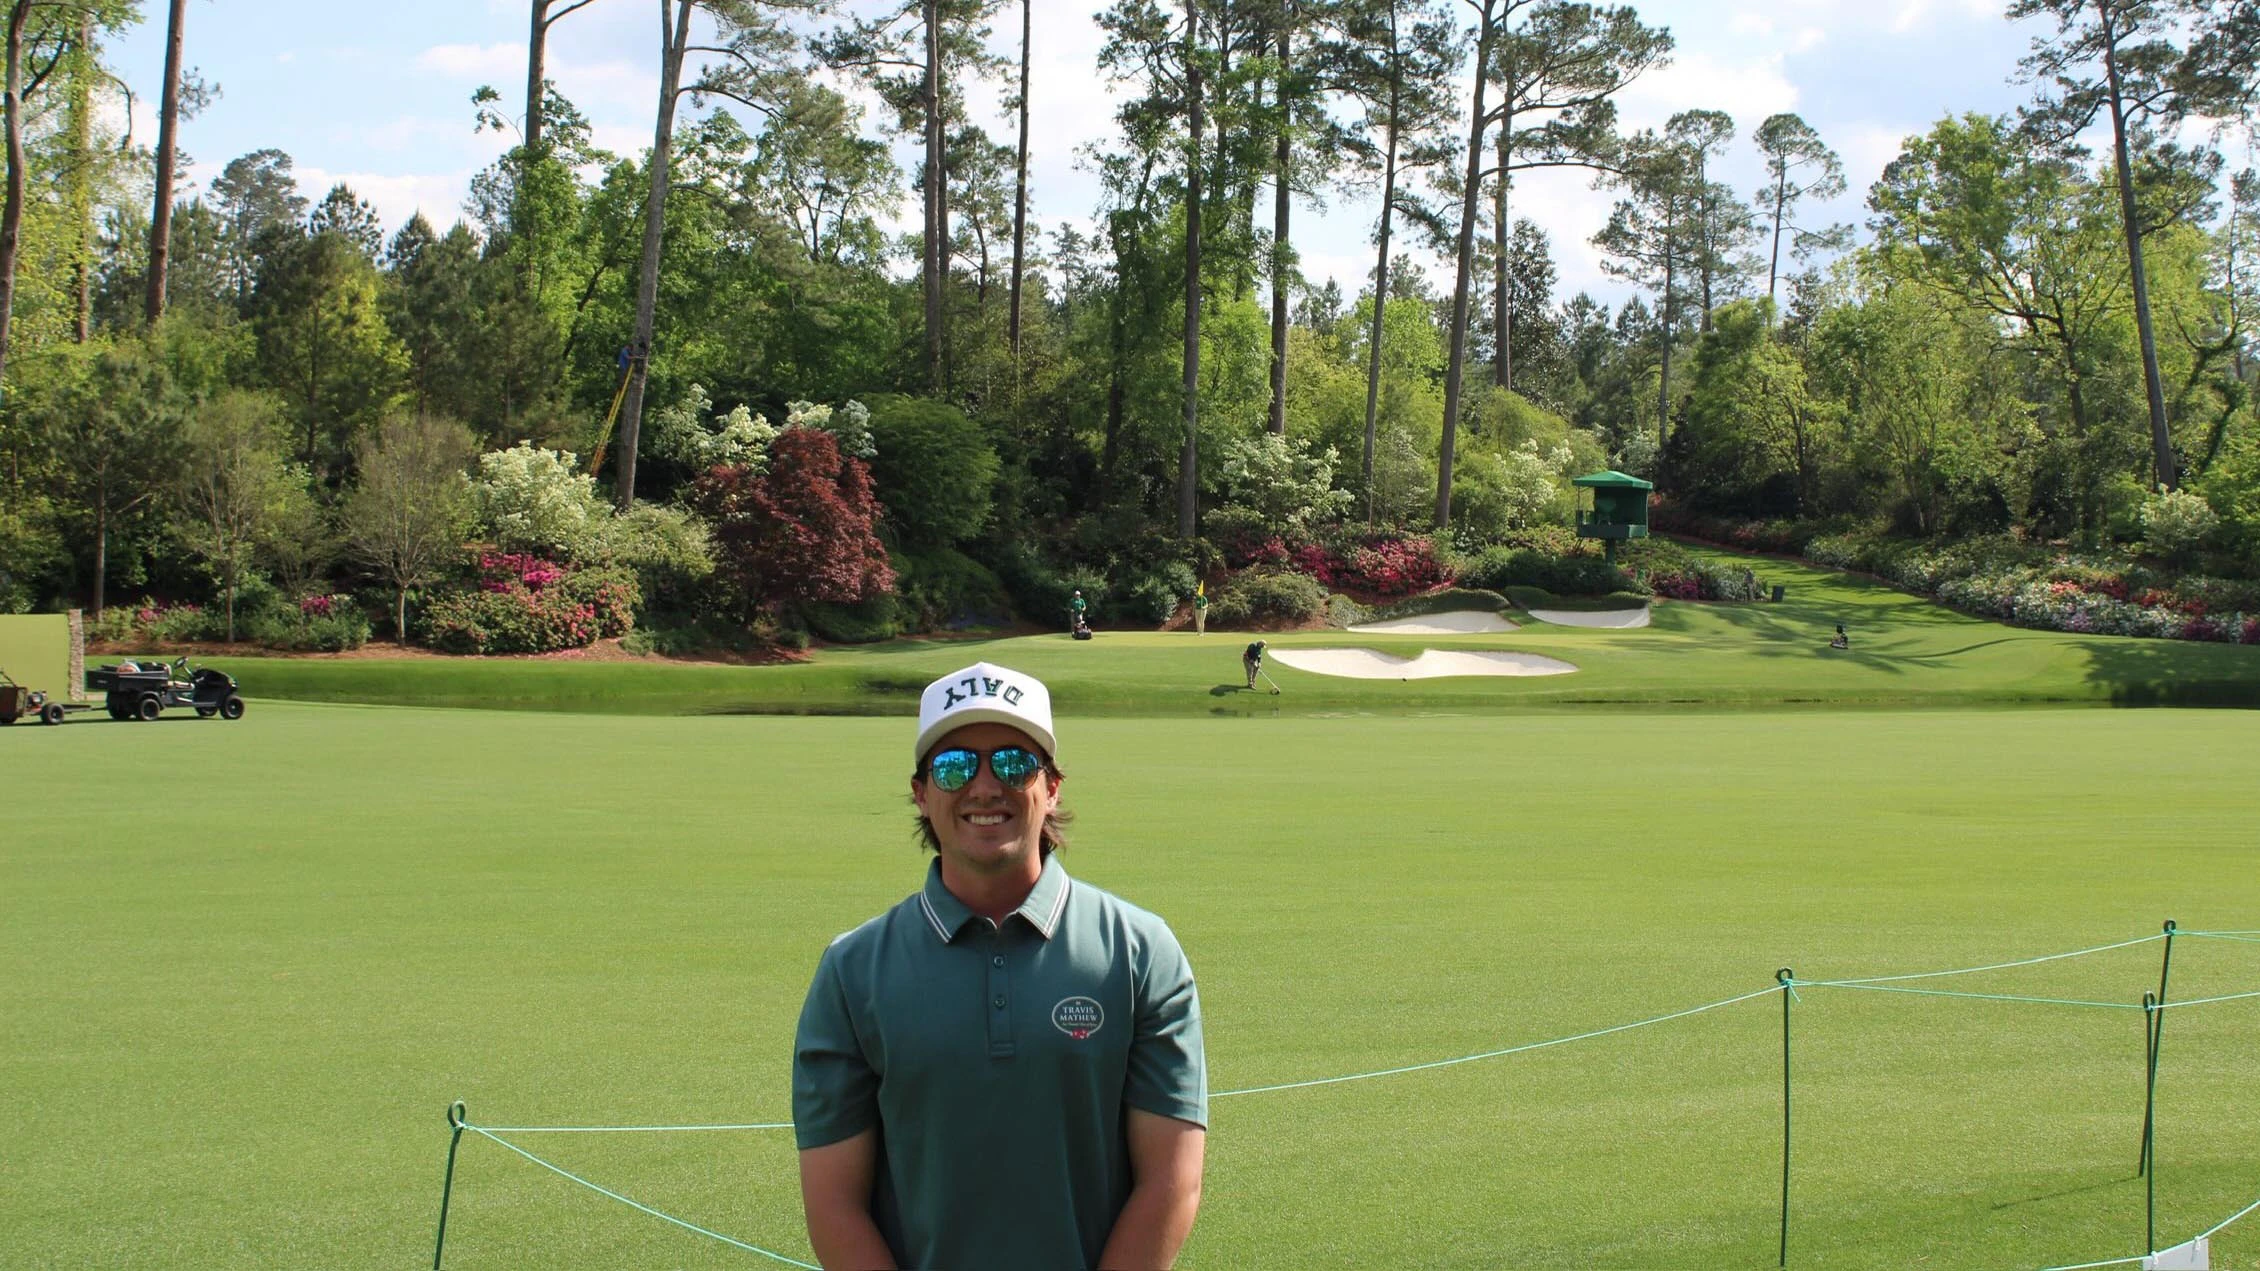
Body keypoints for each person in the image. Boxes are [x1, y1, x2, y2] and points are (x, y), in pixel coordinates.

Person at [794, 661, 1208, 1271]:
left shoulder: (1140, 951)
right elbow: (834, 1204)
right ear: (922, 793)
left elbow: (1170, 1182)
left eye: (1013, 762)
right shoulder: (853, 969)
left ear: (1053, 786)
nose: (985, 787)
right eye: (955, 765)